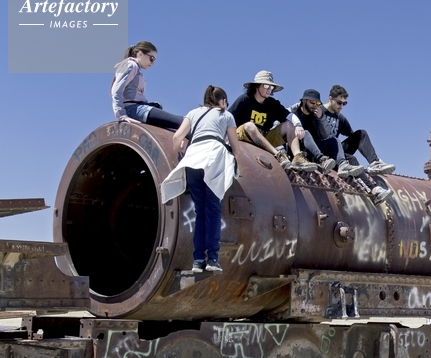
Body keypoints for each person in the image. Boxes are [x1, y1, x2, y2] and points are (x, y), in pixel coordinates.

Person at [160, 86, 242, 273]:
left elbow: (177, 137)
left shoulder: (193, 113)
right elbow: (236, 149)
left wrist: (181, 149)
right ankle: (212, 259)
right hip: (213, 157)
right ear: (223, 101)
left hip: (193, 159)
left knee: (200, 212)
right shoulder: (226, 115)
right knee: (213, 210)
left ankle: (197, 261)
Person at [228, 71, 308, 170]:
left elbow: (289, 115)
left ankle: (298, 158)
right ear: (256, 86)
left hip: (262, 138)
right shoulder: (245, 99)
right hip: (242, 136)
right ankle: (278, 155)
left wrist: (298, 125)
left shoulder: (272, 104)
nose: (269, 90)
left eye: (271, 87)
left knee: (289, 124)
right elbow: (227, 118)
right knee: (250, 125)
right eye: (266, 86)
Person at [316, 85, 395, 177]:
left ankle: (374, 163)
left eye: (344, 103)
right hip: (321, 152)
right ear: (330, 99)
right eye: (339, 103)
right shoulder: (318, 111)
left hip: (335, 152)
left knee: (361, 134)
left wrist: (367, 154)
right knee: (349, 156)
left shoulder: (340, 118)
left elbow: (357, 141)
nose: (341, 106)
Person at [111, 41, 184, 130]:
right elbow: (116, 90)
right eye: (151, 58)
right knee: (183, 122)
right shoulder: (131, 65)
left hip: (137, 108)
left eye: (154, 60)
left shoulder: (135, 67)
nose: (152, 63)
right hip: (133, 109)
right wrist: (122, 115)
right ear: (140, 54)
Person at [286, 89, 337, 174]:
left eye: (318, 103)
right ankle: (321, 159)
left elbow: (325, 135)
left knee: (335, 141)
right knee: (305, 133)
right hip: (294, 147)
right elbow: (278, 127)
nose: (315, 105)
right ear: (304, 100)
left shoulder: (316, 115)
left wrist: (321, 118)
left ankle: (342, 164)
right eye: (312, 102)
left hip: (311, 149)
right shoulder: (292, 111)